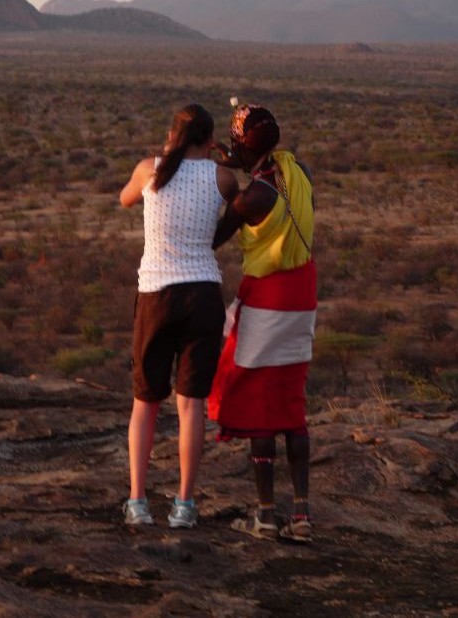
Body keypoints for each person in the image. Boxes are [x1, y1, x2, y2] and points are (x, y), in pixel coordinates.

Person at [120, 103, 238, 529]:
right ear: (209, 140)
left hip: (156, 296)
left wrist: (165, 155)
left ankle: (138, 502)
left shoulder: (149, 170)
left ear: (172, 135)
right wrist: (225, 158)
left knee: (145, 402)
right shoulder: (222, 178)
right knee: (191, 405)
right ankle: (184, 506)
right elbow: (236, 204)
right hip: (202, 296)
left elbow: (124, 199)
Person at [208, 101, 317, 542]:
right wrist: (243, 161)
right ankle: (302, 515)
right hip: (302, 296)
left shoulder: (248, 199)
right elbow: (273, 175)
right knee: (291, 401)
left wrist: (224, 178)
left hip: (268, 300)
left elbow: (213, 238)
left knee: (258, 405)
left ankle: (267, 516)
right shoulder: (300, 171)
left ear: (240, 147)